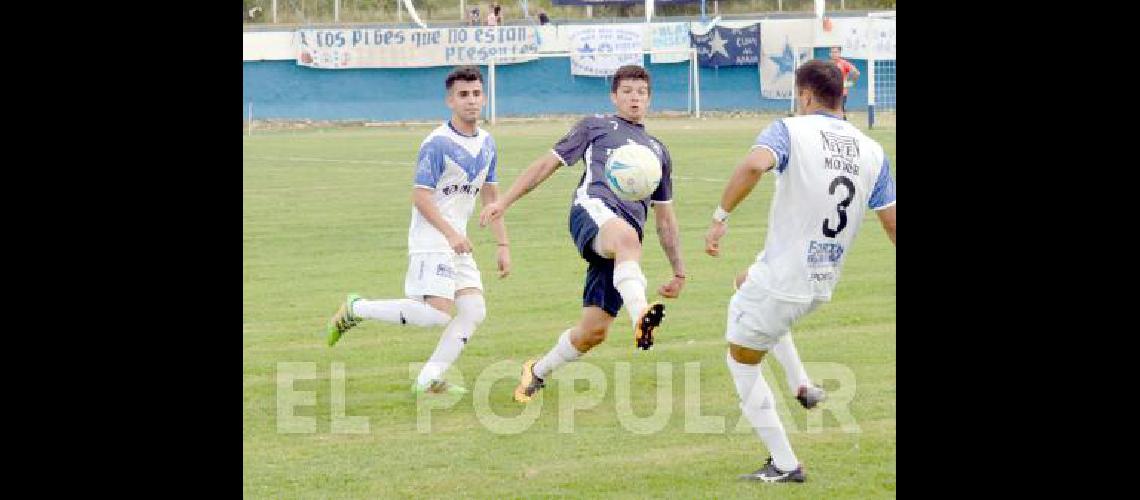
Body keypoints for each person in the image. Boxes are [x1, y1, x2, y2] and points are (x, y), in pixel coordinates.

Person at [704, 59, 896, 482]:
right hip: (822, 279)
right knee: (745, 283)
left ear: (805, 95)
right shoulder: (873, 151)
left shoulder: (789, 129)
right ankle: (803, 385)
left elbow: (755, 164)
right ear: (843, 96)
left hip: (786, 281)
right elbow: (892, 223)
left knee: (741, 359)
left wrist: (720, 216)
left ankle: (785, 464)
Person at [479, 65, 686, 404]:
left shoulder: (658, 151)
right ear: (614, 96)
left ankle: (537, 371)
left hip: (622, 248)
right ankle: (641, 316)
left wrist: (678, 270)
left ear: (649, 98)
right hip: (591, 211)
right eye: (627, 91)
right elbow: (547, 163)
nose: (635, 98)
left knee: (593, 332)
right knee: (627, 239)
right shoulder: (596, 126)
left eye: (641, 92)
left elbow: (665, 218)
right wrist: (505, 201)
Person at [325, 66, 511, 396]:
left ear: (484, 97)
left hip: (458, 240)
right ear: (449, 101)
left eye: (476, 94)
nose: (471, 101)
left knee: (473, 309)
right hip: (431, 237)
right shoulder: (436, 143)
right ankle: (357, 308)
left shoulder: (487, 143)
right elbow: (420, 197)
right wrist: (451, 235)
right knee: (438, 314)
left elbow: (492, 197)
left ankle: (428, 379)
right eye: (463, 95)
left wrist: (502, 244)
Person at [829, 46, 860, 120]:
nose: (834, 54)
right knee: (833, 111)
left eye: (835, 52)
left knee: (839, 109)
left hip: (842, 93)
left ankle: (844, 125)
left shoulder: (843, 63)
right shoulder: (829, 64)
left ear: (839, 53)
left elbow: (856, 73)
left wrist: (849, 83)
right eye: (832, 52)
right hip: (831, 92)